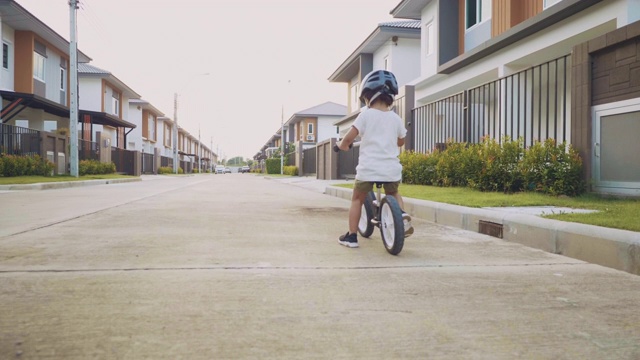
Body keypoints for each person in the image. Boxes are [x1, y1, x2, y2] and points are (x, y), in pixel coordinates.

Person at [336, 69, 413, 248]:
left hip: (369, 168)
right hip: (390, 169)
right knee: (393, 192)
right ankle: (400, 216)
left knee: (357, 199)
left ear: (368, 96)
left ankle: (352, 236)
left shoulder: (365, 115)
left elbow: (348, 138)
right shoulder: (395, 118)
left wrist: (342, 145)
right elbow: (401, 141)